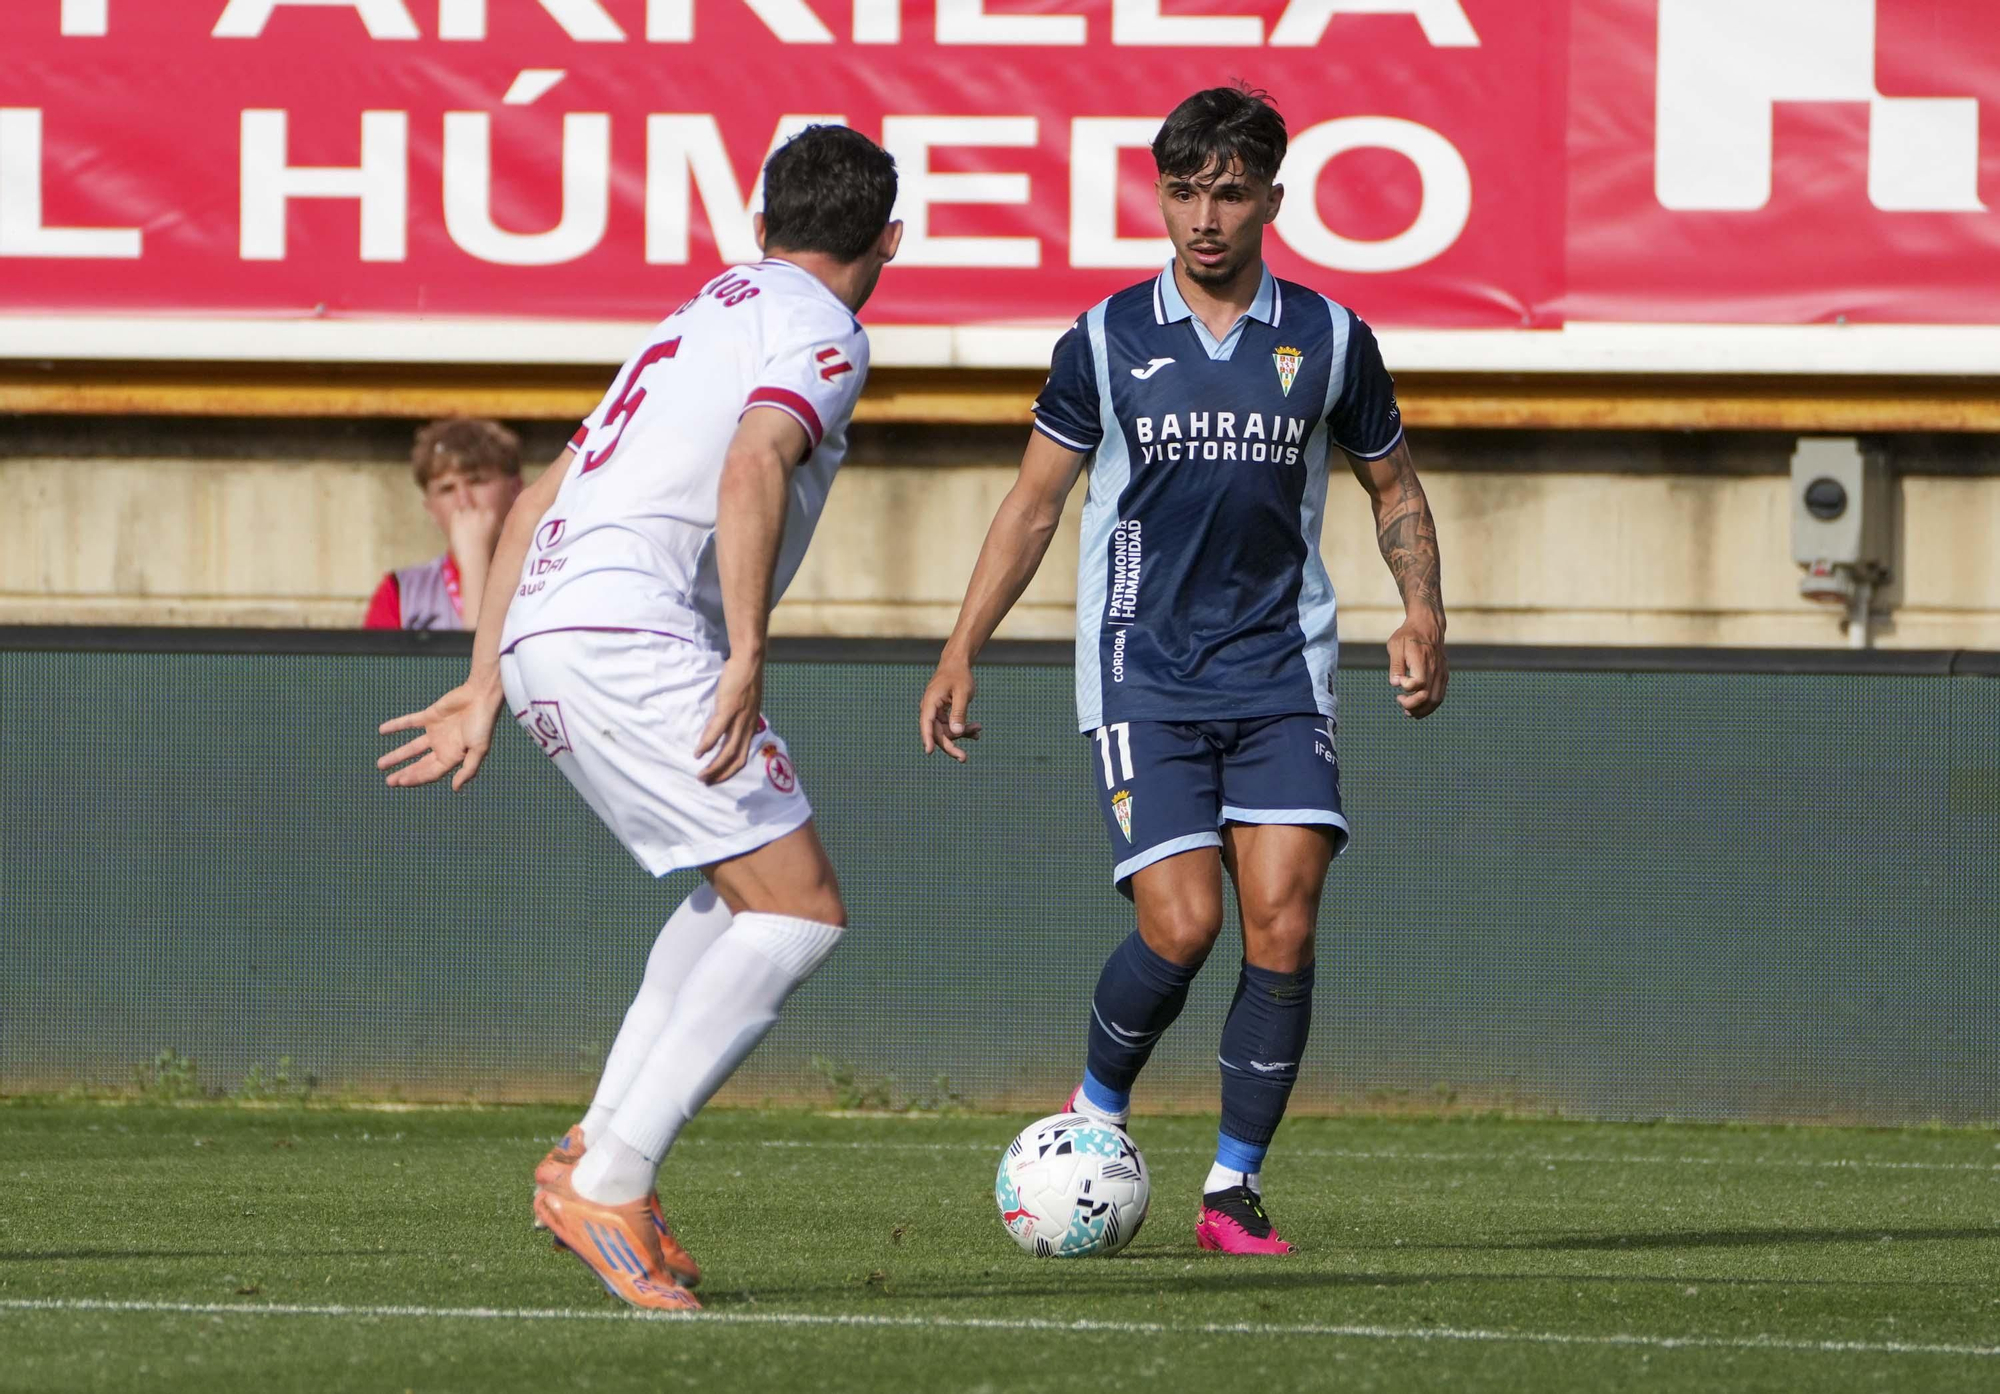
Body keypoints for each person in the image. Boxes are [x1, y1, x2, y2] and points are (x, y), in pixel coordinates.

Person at [375, 125, 901, 1312]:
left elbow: (540, 503)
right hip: (632, 636)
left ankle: (592, 1146)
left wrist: (486, 676)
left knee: (735, 893)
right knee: (800, 909)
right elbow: (758, 460)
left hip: (553, 630)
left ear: (758, 228)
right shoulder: (823, 325)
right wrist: (751, 652)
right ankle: (608, 1175)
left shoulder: (691, 319)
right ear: (887, 244)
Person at [919, 86, 1448, 1256]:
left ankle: (1229, 1192)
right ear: (1158, 194)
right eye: (1181, 190)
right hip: (1139, 670)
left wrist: (1421, 612)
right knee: (1181, 921)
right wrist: (963, 646)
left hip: (1278, 669)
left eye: (1226, 191)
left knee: (1283, 923)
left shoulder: (1330, 338)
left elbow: (1392, 485)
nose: (1202, 215)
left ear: (1270, 197)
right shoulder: (1106, 337)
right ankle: (1091, 1115)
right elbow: (1033, 503)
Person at [362, 417, 524, 630]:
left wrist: (476, 561)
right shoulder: (398, 593)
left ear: (516, 490)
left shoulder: (549, 577)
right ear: (431, 509)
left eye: (477, 481)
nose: (464, 501)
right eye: (447, 489)